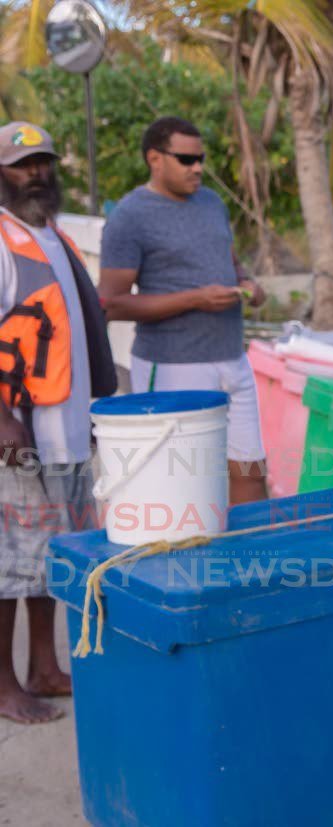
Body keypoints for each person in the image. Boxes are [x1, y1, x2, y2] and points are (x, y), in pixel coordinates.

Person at [0, 121, 116, 723]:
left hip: (67, 428)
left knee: (52, 557)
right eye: (22, 164)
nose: (37, 173)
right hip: (18, 435)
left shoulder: (55, 236)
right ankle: (3, 685)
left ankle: (45, 666)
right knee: (10, 564)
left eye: (43, 161)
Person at [99, 116, 268, 505]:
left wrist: (248, 285)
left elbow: (230, 261)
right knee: (185, 485)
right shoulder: (129, 216)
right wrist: (195, 299)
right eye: (186, 159)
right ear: (154, 158)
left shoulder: (211, 202)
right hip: (174, 366)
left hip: (233, 360)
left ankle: (260, 559)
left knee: (251, 473)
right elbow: (112, 303)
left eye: (201, 158)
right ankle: (186, 565)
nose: (198, 168)